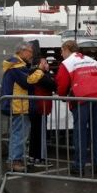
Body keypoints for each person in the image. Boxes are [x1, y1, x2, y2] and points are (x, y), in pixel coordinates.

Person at [56, 40, 97, 176]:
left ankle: (79, 166)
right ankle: (96, 164)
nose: (61, 54)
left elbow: (61, 84)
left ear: (67, 49)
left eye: (62, 51)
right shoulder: (91, 60)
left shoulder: (67, 63)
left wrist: (63, 96)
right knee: (96, 132)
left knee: (80, 133)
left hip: (80, 98)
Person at [0, 42, 48, 172]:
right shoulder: (17, 66)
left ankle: (14, 159)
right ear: (22, 51)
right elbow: (28, 82)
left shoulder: (16, 65)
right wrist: (40, 70)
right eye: (30, 52)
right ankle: (15, 161)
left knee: (18, 133)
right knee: (19, 135)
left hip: (18, 105)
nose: (31, 55)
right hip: (18, 105)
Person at [27, 41, 57, 169]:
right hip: (40, 107)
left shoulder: (33, 72)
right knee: (40, 134)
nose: (47, 65)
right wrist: (50, 75)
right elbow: (53, 85)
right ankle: (39, 158)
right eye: (45, 63)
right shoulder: (41, 75)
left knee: (35, 132)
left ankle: (33, 156)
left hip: (36, 107)